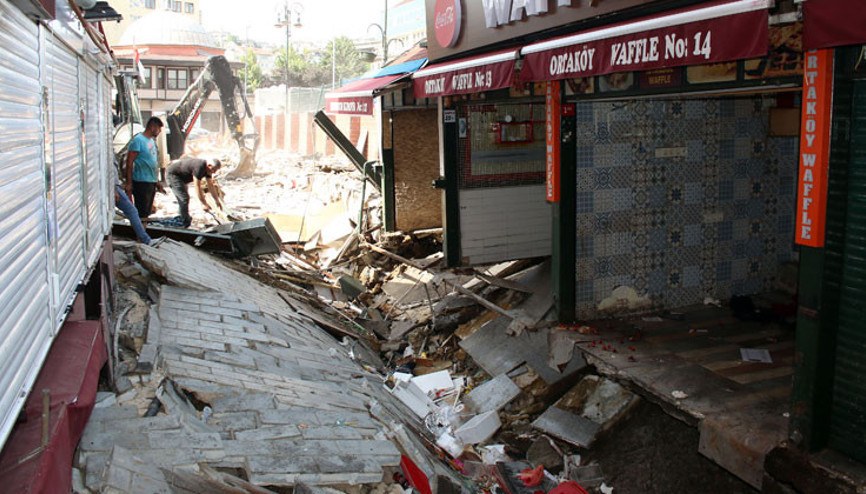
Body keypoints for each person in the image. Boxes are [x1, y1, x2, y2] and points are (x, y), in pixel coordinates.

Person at [166, 157, 224, 227]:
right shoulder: (199, 167)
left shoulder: (208, 170)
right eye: (213, 170)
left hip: (182, 177)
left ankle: (184, 218)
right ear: (209, 166)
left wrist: (217, 200)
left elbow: (210, 185)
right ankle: (183, 222)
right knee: (184, 198)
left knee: (184, 197)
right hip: (173, 175)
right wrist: (204, 204)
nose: (214, 172)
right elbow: (197, 186)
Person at [125, 117, 164, 219]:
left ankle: (143, 228)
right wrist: (129, 183)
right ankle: (141, 229)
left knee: (147, 212)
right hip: (141, 182)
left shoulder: (151, 141)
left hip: (151, 182)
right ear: (152, 127)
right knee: (141, 212)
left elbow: (153, 161)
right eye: (159, 128)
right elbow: (129, 162)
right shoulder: (138, 140)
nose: (160, 131)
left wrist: (157, 181)